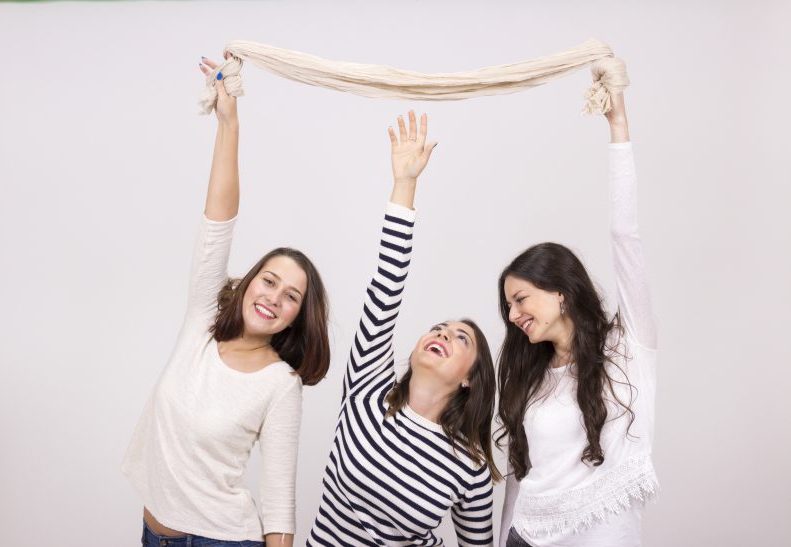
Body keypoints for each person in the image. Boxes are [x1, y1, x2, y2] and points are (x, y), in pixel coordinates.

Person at [122, 57, 330, 547]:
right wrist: (229, 122)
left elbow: (278, 498)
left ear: (296, 318)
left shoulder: (280, 385)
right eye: (269, 281)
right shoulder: (204, 321)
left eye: (291, 296)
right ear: (248, 282)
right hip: (154, 535)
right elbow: (218, 221)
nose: (273, 297)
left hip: (218, 540)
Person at [307, 111, 498, 546]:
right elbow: (386, 285)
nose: (443, 334)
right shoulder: (366, 389)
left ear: (470, 378)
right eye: (439, 328)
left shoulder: (468, 465)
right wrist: (405, 183)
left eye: (461, 338)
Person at [497, 92, 658, 547]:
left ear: (561, 292)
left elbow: (625, 236)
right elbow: (519, 475)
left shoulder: (626, 348)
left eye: (521, 299)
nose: (513, 315)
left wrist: (618, 127)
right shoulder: (531, 376)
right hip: (524, 536)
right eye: (508, 306)